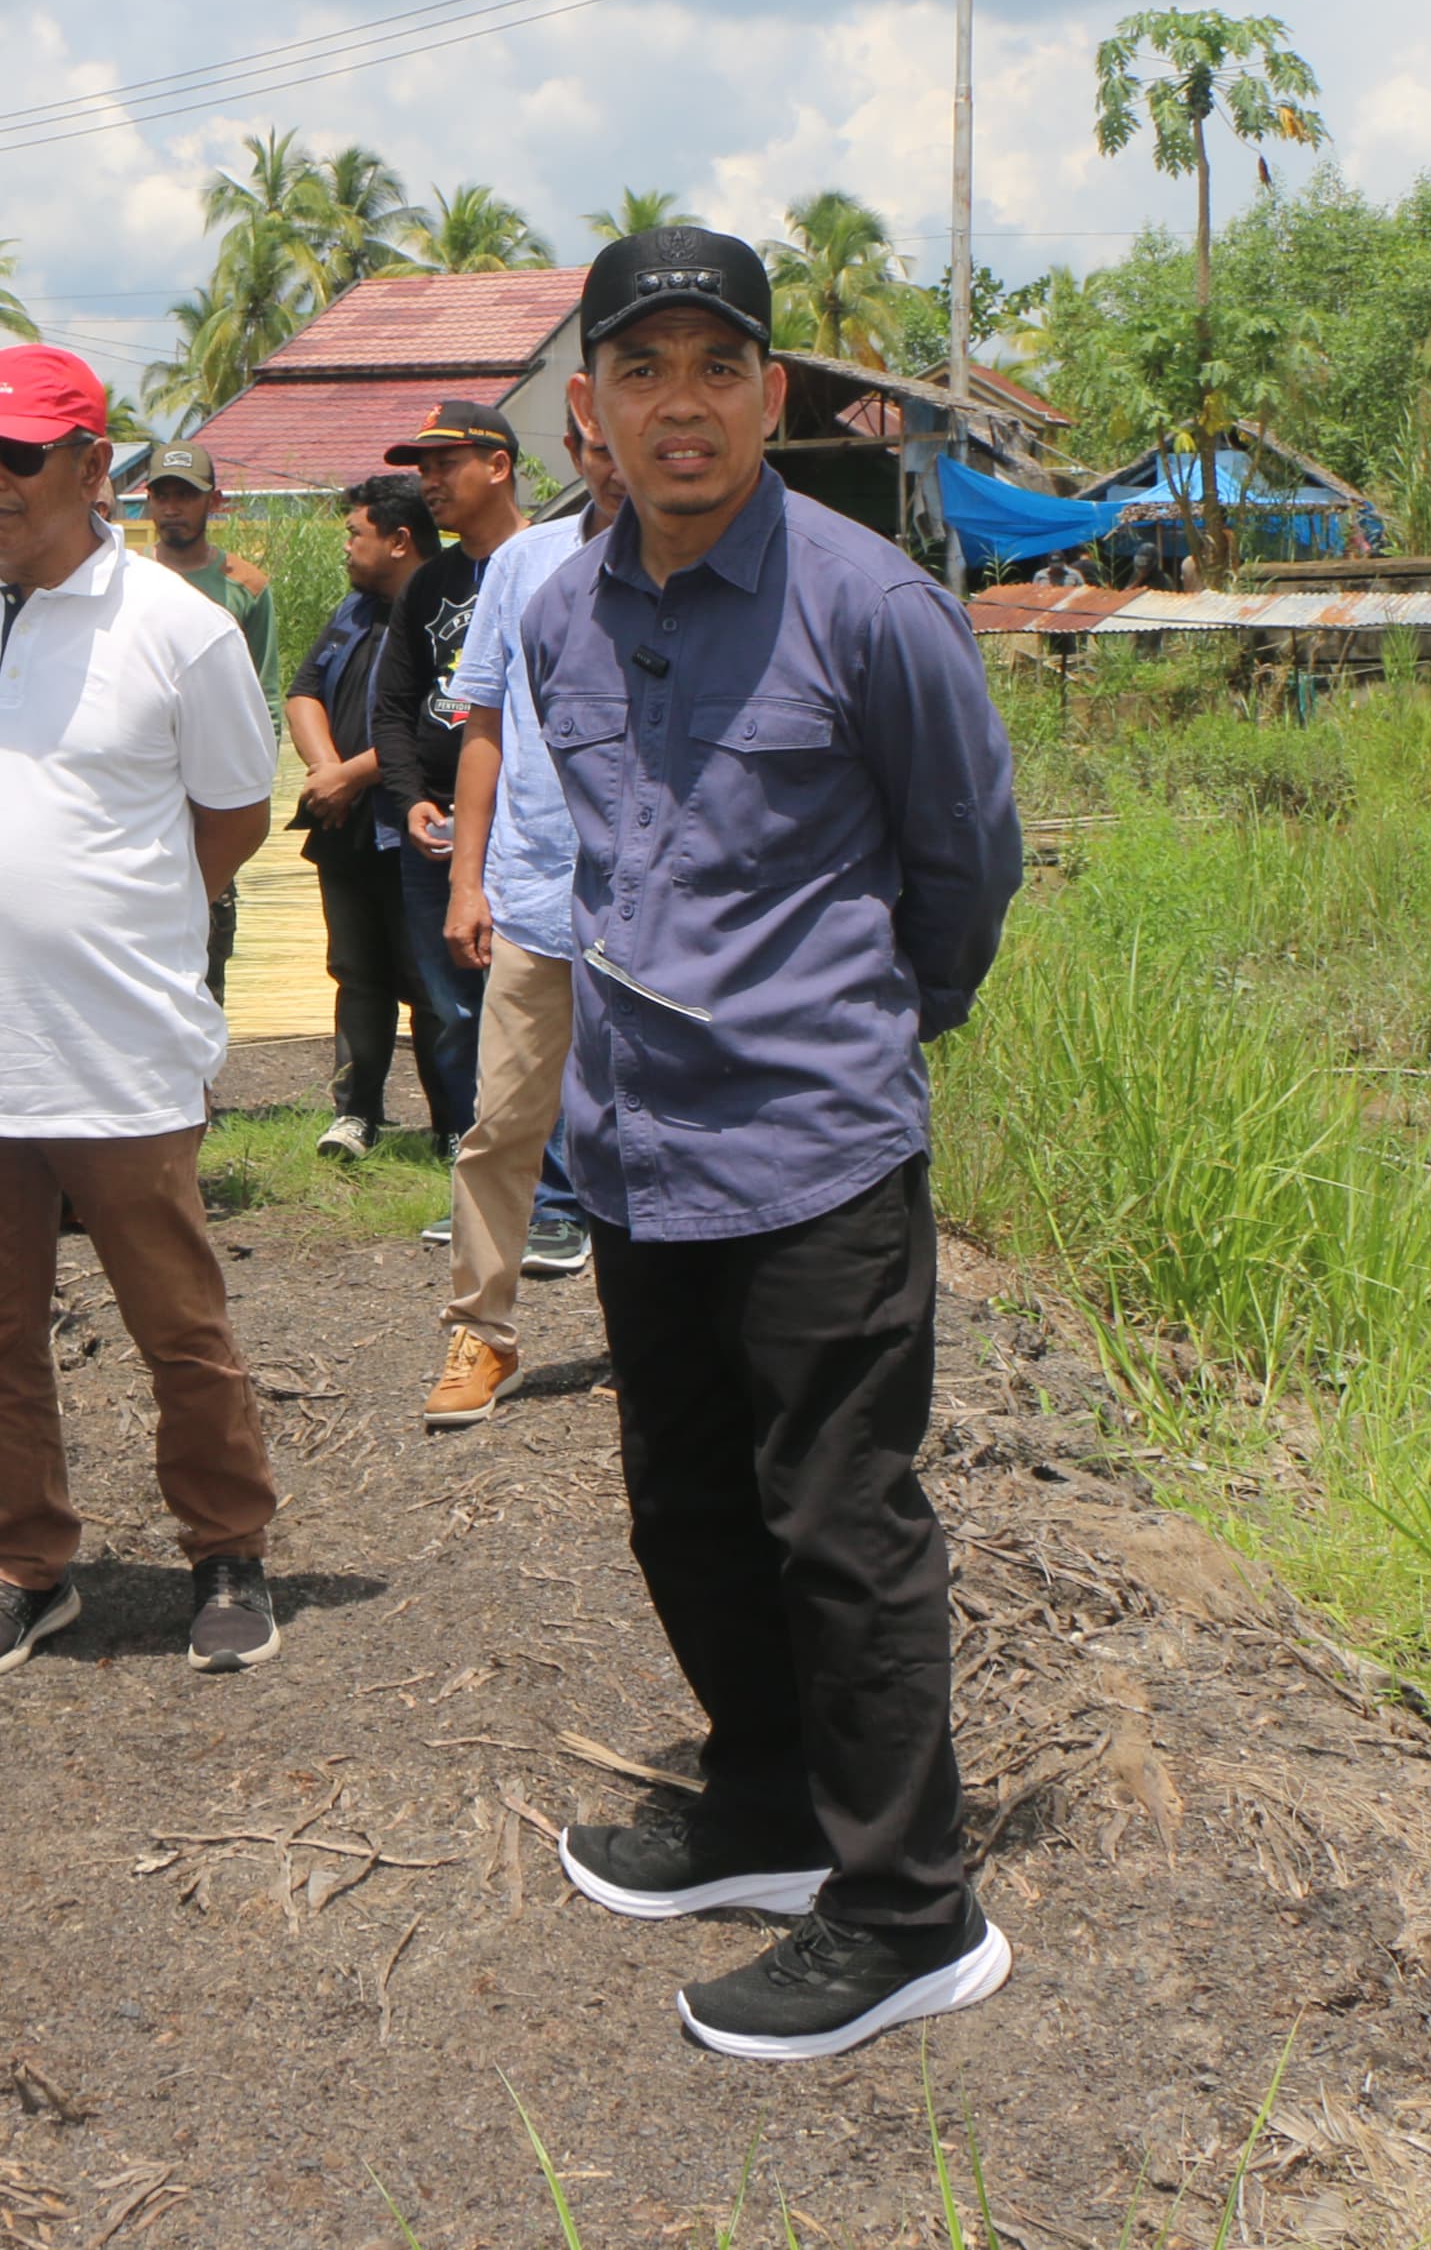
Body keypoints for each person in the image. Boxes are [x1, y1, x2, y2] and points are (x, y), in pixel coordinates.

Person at [513, 225, 1022, 2066]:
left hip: (814, 1147)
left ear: (773, 397)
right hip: (641, 1144)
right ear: (589, 406)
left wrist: (865, 1032)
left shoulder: (870, 605)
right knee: (690, 1502)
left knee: (844, 1526)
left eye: (717, 368)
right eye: (641, 369)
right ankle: (771, 1798)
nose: (681, 404)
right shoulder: (563, 608)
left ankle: (910, 1908)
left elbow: (963, 868)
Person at [0, 345, 286, 1679]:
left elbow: (231, 815)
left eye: (16, 455)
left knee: (178, 1325)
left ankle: (228, 1549)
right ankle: (28, 1559)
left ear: (92, 465)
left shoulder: (182, 629)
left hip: (118, 1046)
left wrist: (123, 924)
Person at [414, 407, 623, 1428]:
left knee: (648, 1127)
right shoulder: (523, 565)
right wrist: (468, 877)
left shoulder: (709, 562)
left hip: (663, 912)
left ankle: (652, 1330)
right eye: (597, 451)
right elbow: (484, 724)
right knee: (500, 1122)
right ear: (577, 454)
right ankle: (480, 1330)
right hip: (539, 892)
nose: (615, 471)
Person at [370, 400, 528, 1152]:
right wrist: (409, 801)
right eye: (422, 469)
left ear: (498, 466)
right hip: (436, 832)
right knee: (451, 1002)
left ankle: (549, 1175)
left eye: (445, 464)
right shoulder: (429, 584)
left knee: (531, 999)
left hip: (524, 829)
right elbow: (393, 708)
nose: (429, 482)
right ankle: (472, 1149)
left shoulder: (553, 565)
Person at [286, 475, 444, 1162]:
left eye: (356, 533)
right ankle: (357, 1114)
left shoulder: (447, 607)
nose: (346, 547)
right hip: (344, 824)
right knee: (356, 971)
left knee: (431, 979)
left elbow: (440, 720)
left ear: (399, 540)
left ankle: (455, 1121)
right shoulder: (354, 607)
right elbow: (303, 692)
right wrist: (330, 776)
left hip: (414, 826)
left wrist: (352, 776)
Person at [140, 440, 274, 1001]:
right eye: (163, 495)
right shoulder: (130, 583)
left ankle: (198, 1078)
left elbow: (264, 699)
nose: (174, 507)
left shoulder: (245, 587)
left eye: (186, 496)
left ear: (212, 501)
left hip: (210, 789)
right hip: (145, 781)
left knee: (204, 935)